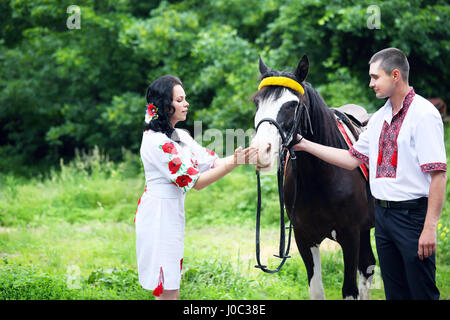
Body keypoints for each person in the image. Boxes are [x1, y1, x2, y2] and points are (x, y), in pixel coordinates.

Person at [292, 48, 446, 300]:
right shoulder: (379, 118)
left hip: (413, 218)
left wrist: (429, 227)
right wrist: (305, 144)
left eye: (375, 77)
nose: (370, 83)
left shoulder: (424, 114)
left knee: (422, 291)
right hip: (382, 217)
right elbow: (352, 159)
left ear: (395, 75)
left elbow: (438, 176)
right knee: (395, 292)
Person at [134, 75, 257, 300]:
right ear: (164, 106)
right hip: (158, 214)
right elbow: (195, 182)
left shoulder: (180, 136)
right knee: (166, 283)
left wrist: (243, 155)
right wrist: (234, 163)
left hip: (172, 212)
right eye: (179, 100)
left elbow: (211, 161)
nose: (186, 103)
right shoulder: (156, 142)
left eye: (185, 99)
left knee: (171, 279)